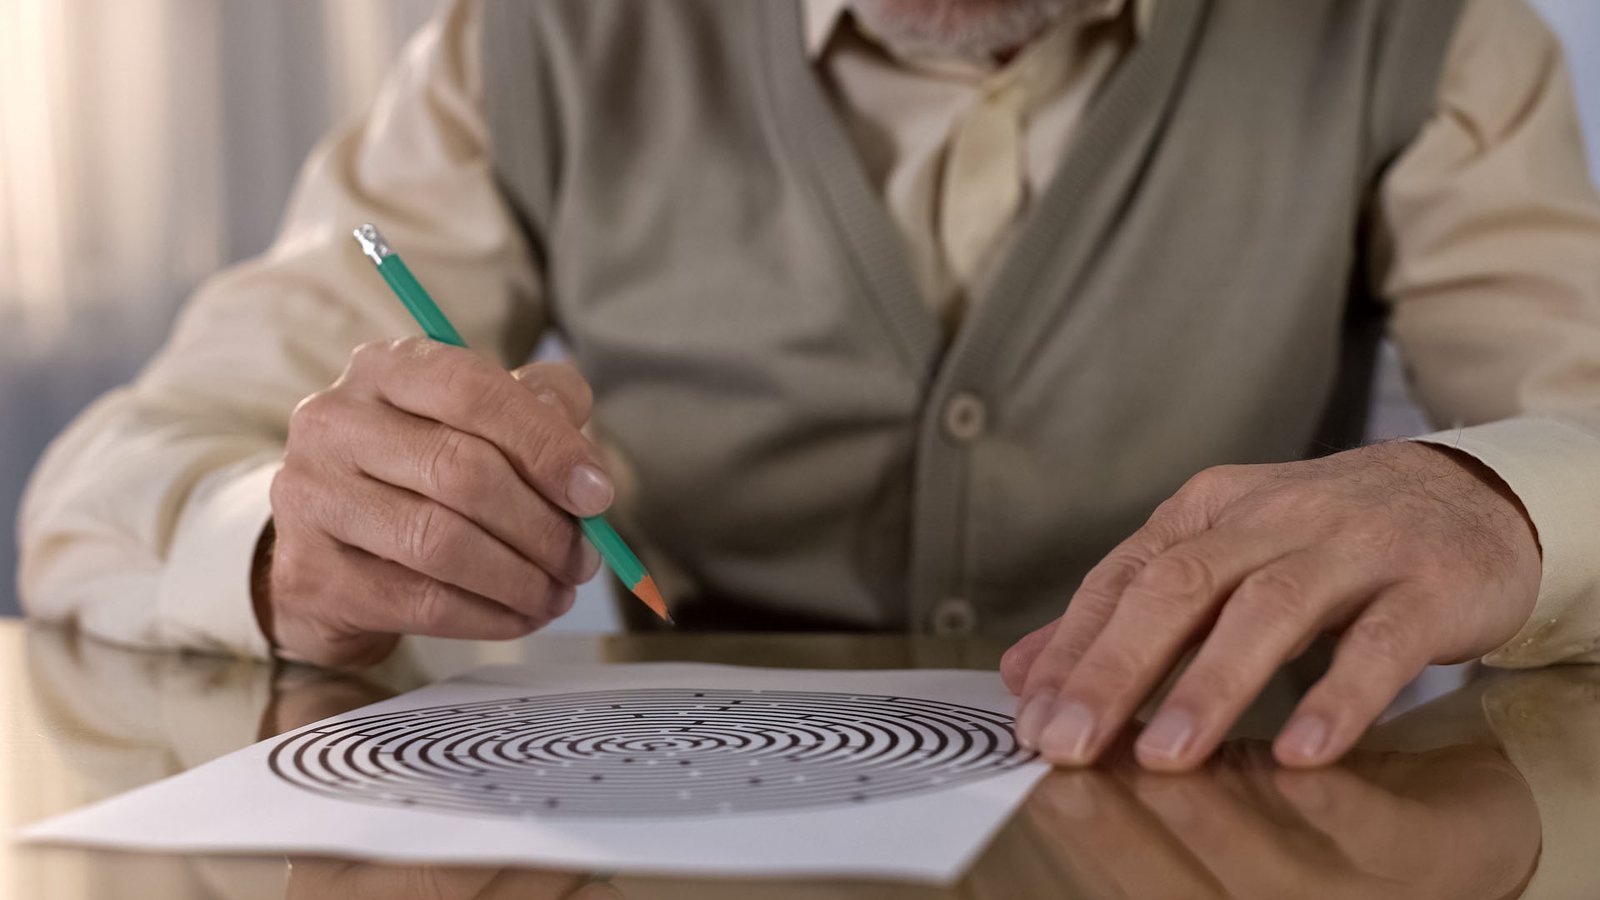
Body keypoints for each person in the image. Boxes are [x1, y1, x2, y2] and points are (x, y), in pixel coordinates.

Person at [18, 0, 1600, 773]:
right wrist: (286, 538)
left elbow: (1582, 431)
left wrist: (1487, 500)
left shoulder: (1428, 29)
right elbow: (109, 481)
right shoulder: (537, 35)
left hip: (1227, 832)